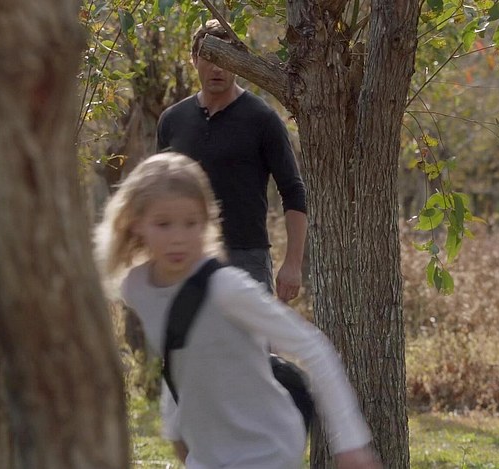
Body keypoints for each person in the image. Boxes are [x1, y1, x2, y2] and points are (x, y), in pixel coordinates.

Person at [94, 152, 381, 469]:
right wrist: (174, 428)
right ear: (136, 223)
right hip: (207, 456)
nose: (178, 238)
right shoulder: (137, 287)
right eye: (163, 224)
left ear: (207, 223)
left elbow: (314, 348)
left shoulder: (226, 288)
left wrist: (350, 444)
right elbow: (177, 356)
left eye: (191, 223)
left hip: (266, 449)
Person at [156, 19, 306, 303]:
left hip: (246, 260)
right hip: (185, 259)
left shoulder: (262, 119)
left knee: (250, 335)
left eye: (226, 59)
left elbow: (293, 191)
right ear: (194, 59)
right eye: (210, 57)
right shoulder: (172, 120)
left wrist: (293, 264)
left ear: (238, 64)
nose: (218, 68)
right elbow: (159, 194)